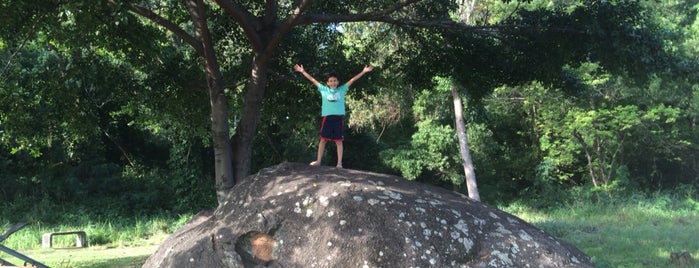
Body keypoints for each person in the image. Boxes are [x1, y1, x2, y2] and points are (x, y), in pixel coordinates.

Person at [294, 63, 373, 168]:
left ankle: (339, 163)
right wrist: (302, 71)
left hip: (338, 119)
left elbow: (352, 80)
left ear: (338, 82)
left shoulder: (342, 89)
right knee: (323, 140)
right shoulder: (324, 90)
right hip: (327, 118)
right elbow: (313, 80)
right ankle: (318, 161)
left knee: (339, 141)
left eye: (335, 81)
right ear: (327, 83)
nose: (333, 82)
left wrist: (364, 71)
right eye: (331, 81)